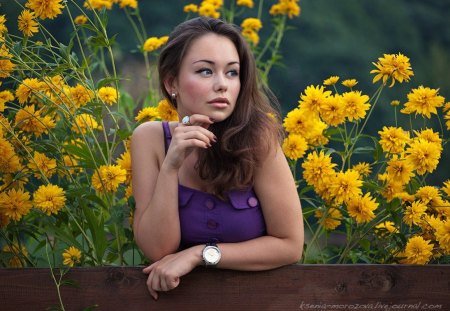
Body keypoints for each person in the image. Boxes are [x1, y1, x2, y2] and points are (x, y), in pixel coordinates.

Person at [131, 16, 304, 300]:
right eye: (205, 71)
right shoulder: (149, 139)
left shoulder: (258, 139)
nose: (222, 85)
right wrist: (171, 166)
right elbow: (158, 250)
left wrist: (201, 254)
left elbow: (290, 244)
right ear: (171, 82)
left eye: (232, 73)